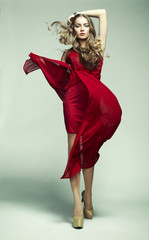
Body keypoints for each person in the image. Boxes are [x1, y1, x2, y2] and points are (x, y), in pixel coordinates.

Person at [23, 9, 122, 229]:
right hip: (74, 105)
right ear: (73, 30)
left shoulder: (98, 47)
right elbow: (62, 79)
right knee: (74, 153)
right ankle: (78, 203)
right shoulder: (68, 54)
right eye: (78, 25)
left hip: (94, 104)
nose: (82, 29)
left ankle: (90, 197)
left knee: (88, 151)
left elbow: (104, 14)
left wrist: (78, 14)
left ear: (90, 28)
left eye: (85, 25)